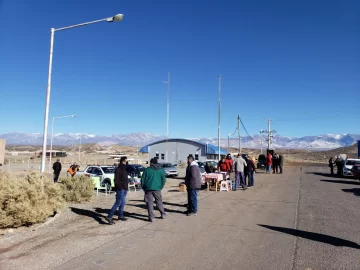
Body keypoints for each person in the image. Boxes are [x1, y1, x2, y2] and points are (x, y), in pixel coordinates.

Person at [141, 157, 167, 222]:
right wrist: (160, 187)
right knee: (159, 201)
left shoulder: (147, 170)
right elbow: (163, 180)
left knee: (149, 203)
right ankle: (163, 214)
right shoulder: (161, 170)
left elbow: (142, 180)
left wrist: (144, 187)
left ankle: (151, 217)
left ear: (152, 163)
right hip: (157, 188)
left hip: (148, 189)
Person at [106, 156, 129, 225]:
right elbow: (116, 180)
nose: (126, 163)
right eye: (126, 161)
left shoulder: (125, 169)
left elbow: (130, 171)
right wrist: (120, 187)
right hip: (120, 189)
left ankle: (120, 215)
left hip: (125, 188)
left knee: (123, 203)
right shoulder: (118, 169)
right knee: (118, 202)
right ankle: (109, 216)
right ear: (123, 161)